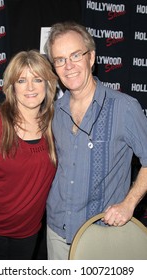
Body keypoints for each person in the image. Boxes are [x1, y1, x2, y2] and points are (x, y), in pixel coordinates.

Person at [44, 21, 147, 260]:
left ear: (91, 58)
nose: (68, 66)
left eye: (75, 55)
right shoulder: (54, 112)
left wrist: (129, 203)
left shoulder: (125, 107)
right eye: (60, 59)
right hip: (56, 231)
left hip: (100, 235)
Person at [0, 50, 57, 260]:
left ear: (48, 85)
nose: (30, 87)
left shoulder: (55, 125)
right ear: (12, 86)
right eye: (21, 80)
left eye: (37, 79)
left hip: (28, 234)